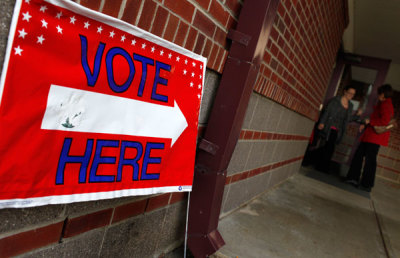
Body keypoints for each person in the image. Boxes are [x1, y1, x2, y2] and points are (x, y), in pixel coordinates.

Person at [346, 84, 394, 192]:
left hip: (374, 138)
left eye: (380, 94)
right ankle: (356, 180)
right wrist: (367, 123)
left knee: (369, 161)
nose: (378, 96)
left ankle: (365, 184)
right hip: (371, 137)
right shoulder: (385, 103)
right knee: (362, 157)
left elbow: (384, 121)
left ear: (384, 94)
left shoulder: (385, 105)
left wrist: (369, 122)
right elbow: (377, 118)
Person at [303, 85, 361, 173]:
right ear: (345, 91)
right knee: (330, 148)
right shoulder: (335, 100)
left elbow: (348, 119)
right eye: (349, 93)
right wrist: (322, 122)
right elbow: (327, 112)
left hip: (339, 130)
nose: (351, 95)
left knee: (327, 147)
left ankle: (308, 159)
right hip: (330, 126)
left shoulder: (350, 105)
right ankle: (322, 167)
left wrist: (357, 116)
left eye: (353, 94)